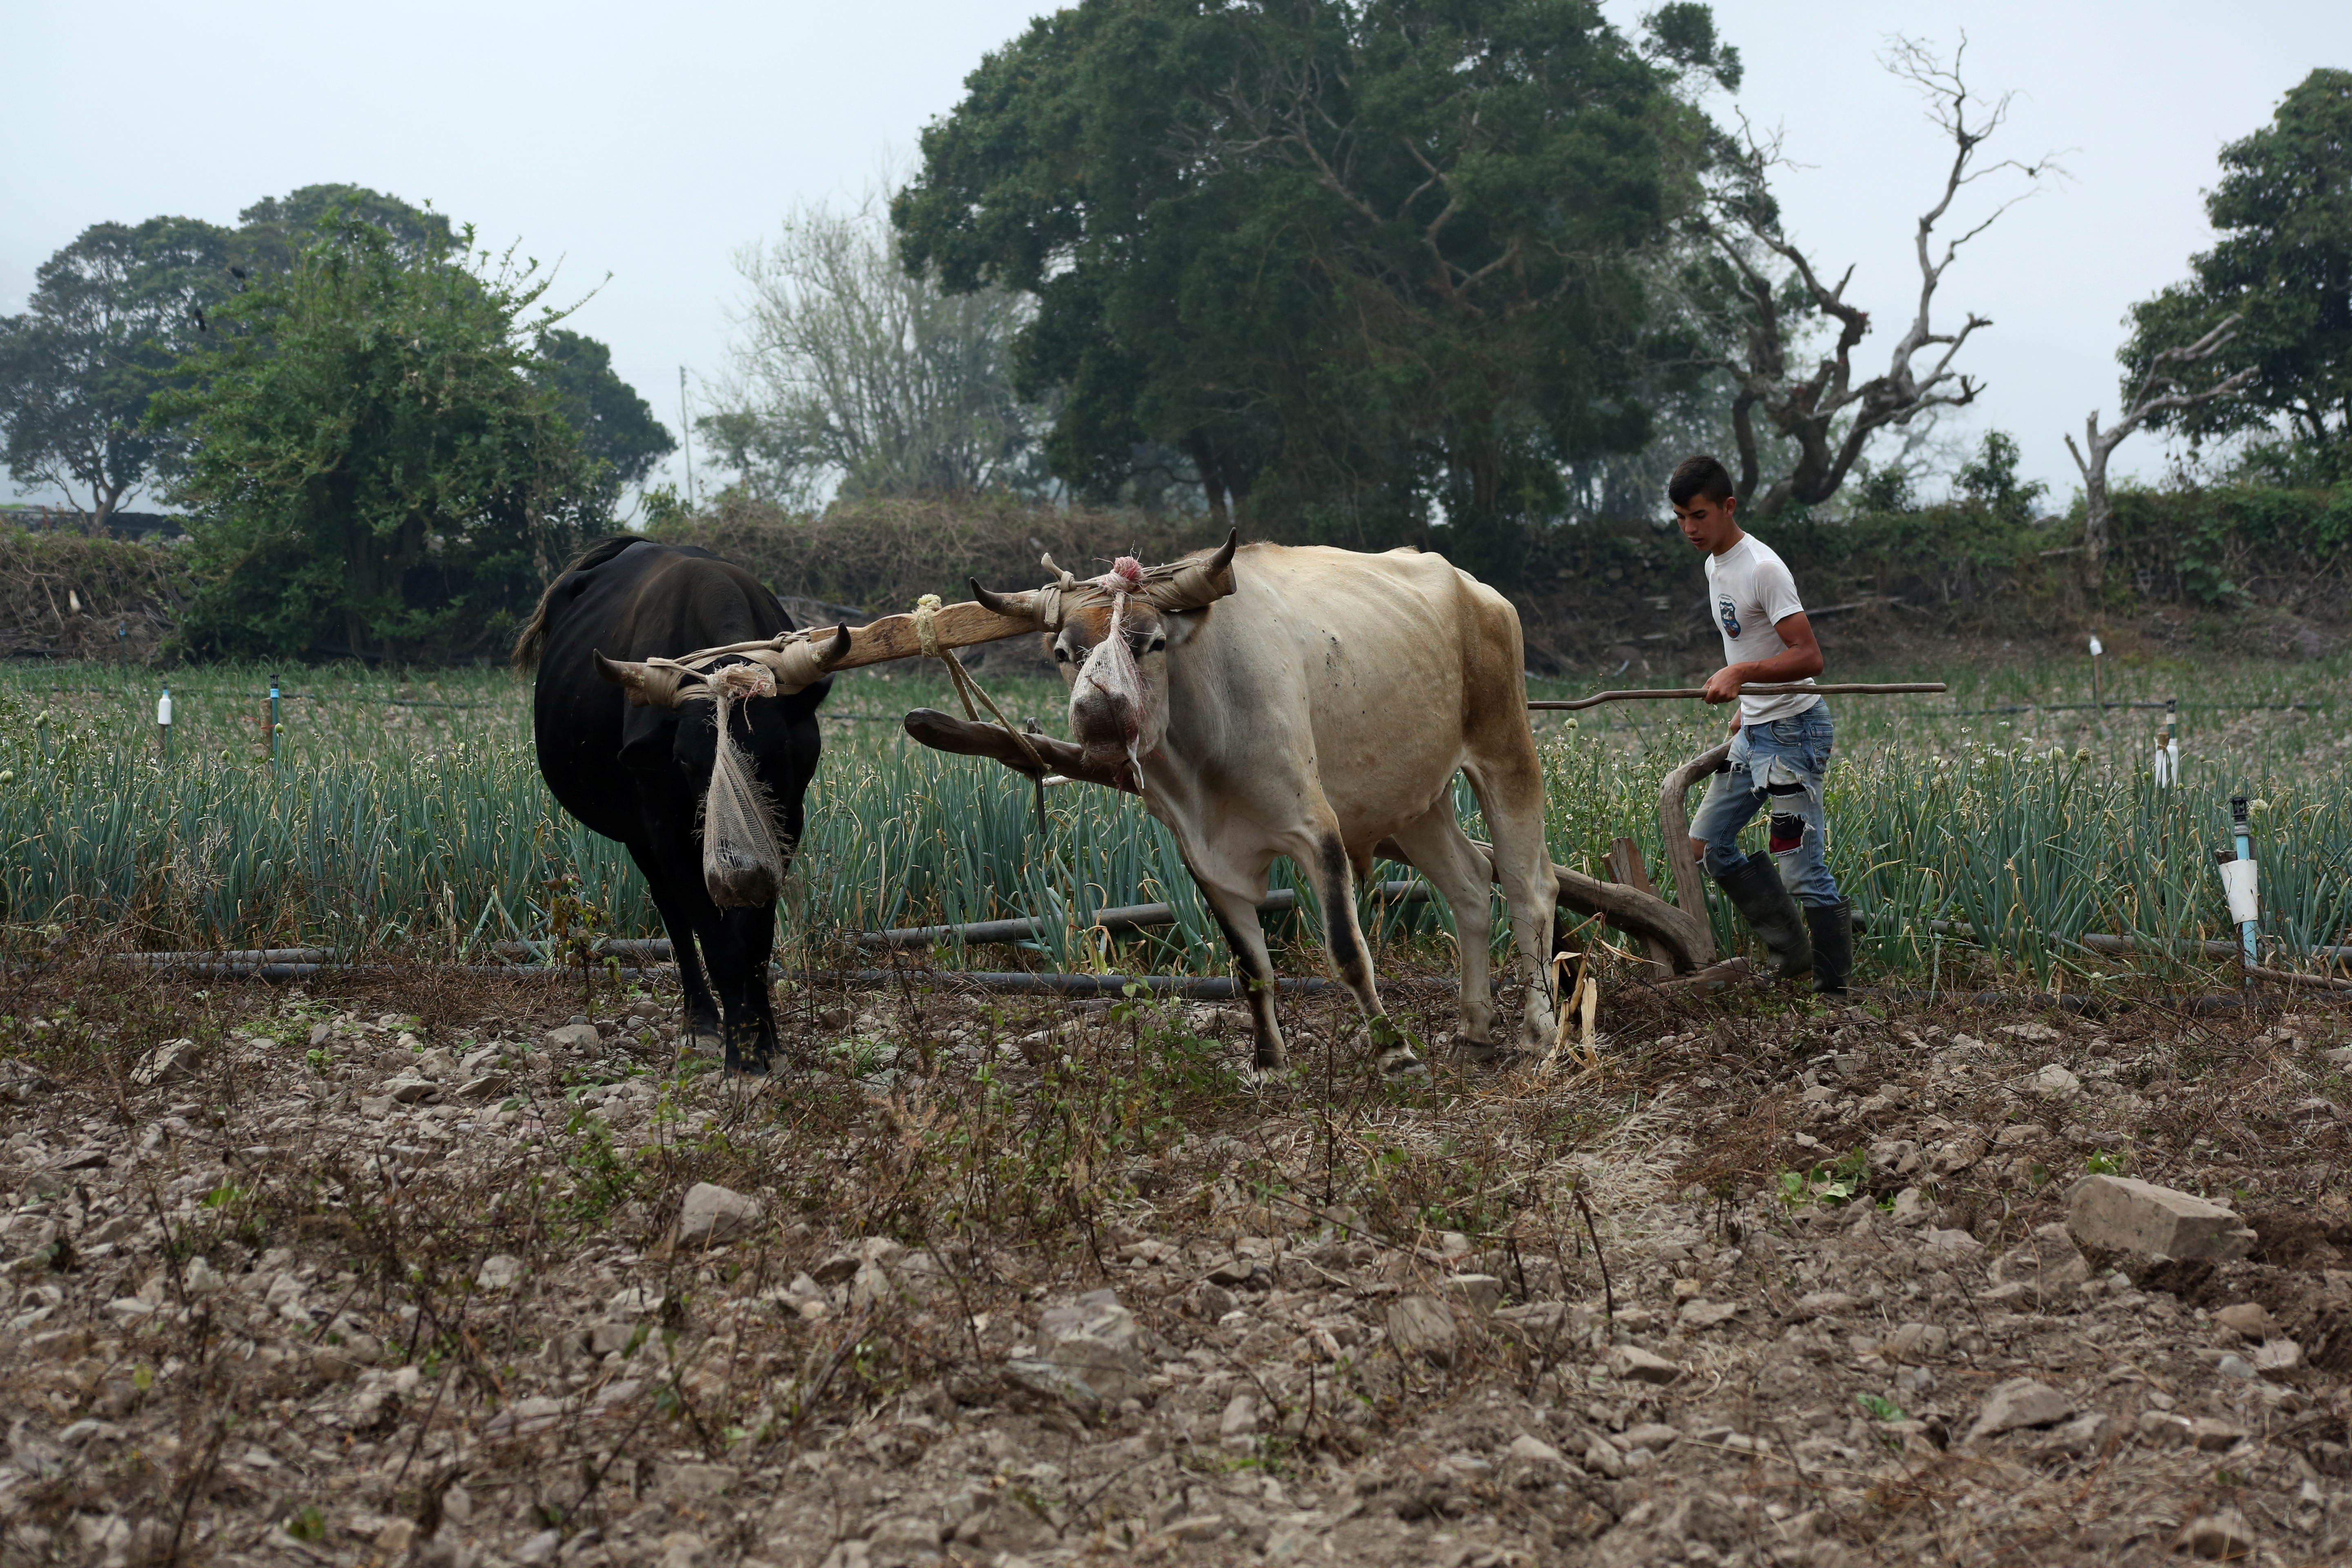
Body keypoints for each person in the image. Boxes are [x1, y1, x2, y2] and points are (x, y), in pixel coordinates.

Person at [1669, 455, 1852, 994]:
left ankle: (1833, 992)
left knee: (1798, 866)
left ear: (1729, 507)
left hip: (1793, 739)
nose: (1690, 529)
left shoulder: (1764, 569)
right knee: (1704, 848)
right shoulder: (1714, 566)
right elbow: (1751, 642)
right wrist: (1747, 705)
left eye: (1699, 515)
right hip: (1755, 736)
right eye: (1680, 518)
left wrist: (1742, 675)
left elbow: (1809, 657)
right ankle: (1791, 951)